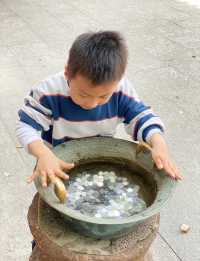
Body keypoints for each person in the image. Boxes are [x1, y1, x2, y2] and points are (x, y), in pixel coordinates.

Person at [16, 31, 182, 188]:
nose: (92, 104)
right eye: (83, 94)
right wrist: (43, 154)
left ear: (118, 81)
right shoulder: (48, 92)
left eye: (103, 96)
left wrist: (158, 143)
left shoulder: (120, 90)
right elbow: (26, 126)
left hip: (99, 156)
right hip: (55, 159)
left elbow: (141, 116)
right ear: (67, 73)